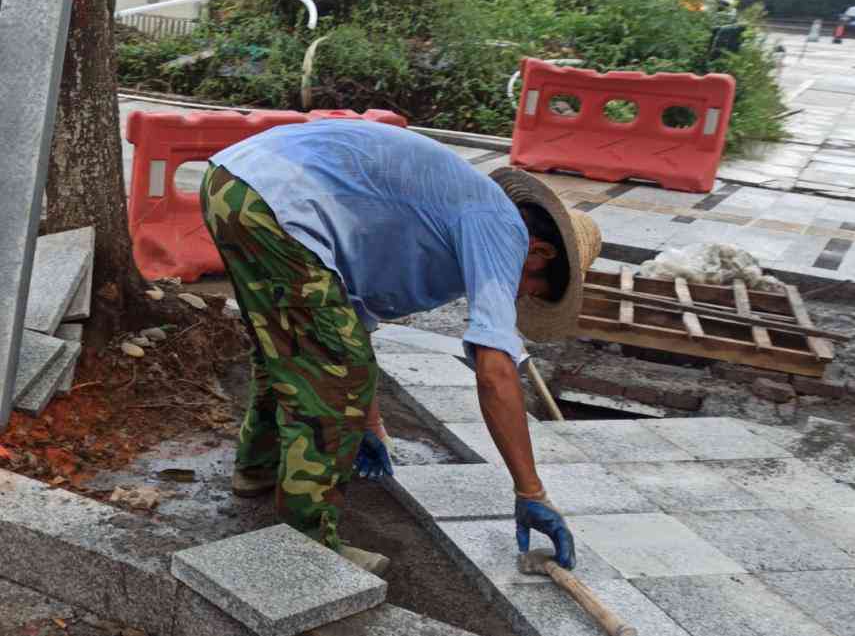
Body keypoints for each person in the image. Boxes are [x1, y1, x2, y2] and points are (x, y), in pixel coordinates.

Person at [200, 119, 600, 575]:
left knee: (293, 351)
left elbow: (348, 318)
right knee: (331, 377)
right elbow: (495, 371)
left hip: (233, 185)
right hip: (276, 199)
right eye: (528, 288)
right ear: (540, 253)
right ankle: (306, 544)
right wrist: (530, 491)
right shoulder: (502, 227)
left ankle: (257, 469)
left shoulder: (446, 217)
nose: (518, 296)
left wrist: (368, 422)